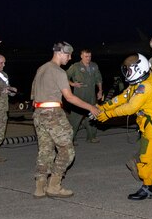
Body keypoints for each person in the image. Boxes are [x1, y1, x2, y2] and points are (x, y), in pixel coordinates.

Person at [96, 54, 152, 200]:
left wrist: (108, 114)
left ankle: (148, 187)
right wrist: (104, 107)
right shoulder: (143, 80)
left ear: (138, 69)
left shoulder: (146, 86)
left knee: (145, 156)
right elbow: (124, 96)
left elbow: (130, 107)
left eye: (129, 71)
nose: (127, 74)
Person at [31, 42, 100, 199]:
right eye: (68, 55)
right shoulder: (59, 72)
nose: (69, 58)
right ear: (60, 53)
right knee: (67, 151)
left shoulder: (41, 68)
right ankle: (54, 185)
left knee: (45, 150)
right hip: (53, 114)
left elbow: (33, 94)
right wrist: (91, 107)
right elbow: (69, 97)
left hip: (38, 113)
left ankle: (40, 187)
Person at [66, 49, 103, 144]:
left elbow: (98, 79)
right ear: (81, 56)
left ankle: (92, 137)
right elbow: (65, 77)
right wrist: (72, 84)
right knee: (75, 120)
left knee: (92, 117)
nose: (88, 58)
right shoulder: (75, 66)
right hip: (79, 97)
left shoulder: (94, 66)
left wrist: (100, 90)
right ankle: (71, 139)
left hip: (91, 96)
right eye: (86, 56)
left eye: (90, 56)